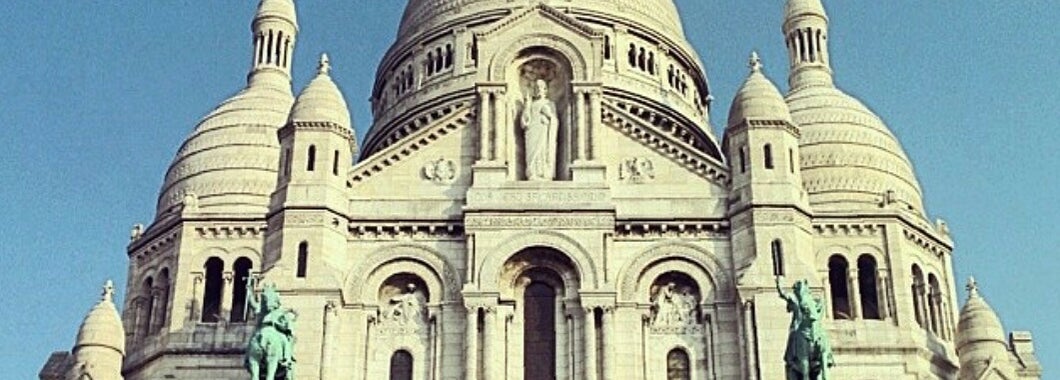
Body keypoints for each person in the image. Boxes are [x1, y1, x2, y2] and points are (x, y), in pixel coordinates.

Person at [520, 79, 558, 181]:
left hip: (544, 130)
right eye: (536, 88)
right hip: (532, 131)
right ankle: (533, 173)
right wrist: (527, 106)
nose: (538, 89)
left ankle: (544, 173)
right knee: (532, 152)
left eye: (540, 87)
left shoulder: (550, 103)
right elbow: (525, 120)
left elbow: (555, 120)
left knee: (542, 150)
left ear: (545, 90)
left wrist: (549, 116)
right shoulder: (531, 104)